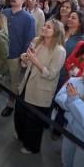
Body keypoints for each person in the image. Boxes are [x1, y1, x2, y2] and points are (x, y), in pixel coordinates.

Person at [14, 19, 66, 154]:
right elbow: (26, 64)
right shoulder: (37, 41)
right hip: (26, 84)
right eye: (44, 25)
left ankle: (31, 146)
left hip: (41, 89)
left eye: (48, 27)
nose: (44, 28)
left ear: (56, 32)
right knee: (19, 114)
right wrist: (25, 59)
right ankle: (20, 136)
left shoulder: (59, 50)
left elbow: (51, 75)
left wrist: (34, 61)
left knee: (33, 122)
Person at [1, 0, 36, 117]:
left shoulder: (28, 18)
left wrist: (23, 58)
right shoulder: (4, 13)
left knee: (14, 83)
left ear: (23, 0)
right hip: (1, 53)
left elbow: (29, 40)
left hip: (15, 56)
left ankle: (10, 104)